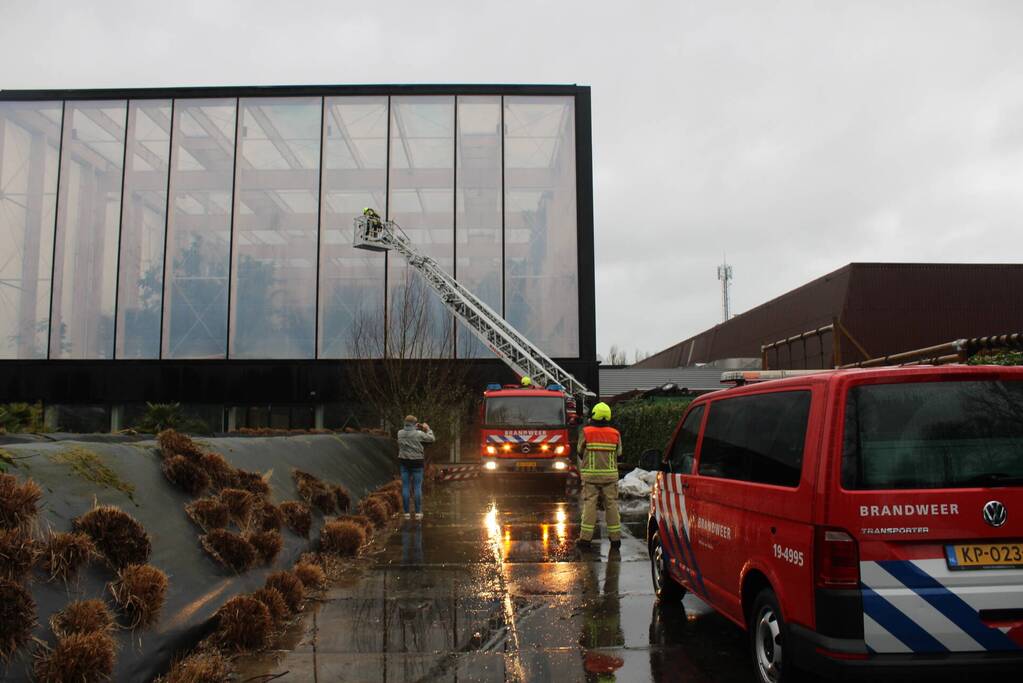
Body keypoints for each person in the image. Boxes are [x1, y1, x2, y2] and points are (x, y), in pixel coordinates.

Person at [576, 402, 622, 549]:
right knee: (612, 506)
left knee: (590, 505)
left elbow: (580, 451)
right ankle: (615, 540)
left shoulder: (586, 432)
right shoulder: (615, 433)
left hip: (591, 477)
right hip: (610, 477)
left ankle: (585, 540)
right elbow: (619, 454)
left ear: (594, 415)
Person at [397, 415, 435, 520]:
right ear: (415, 424)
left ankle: (406, 513)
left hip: (404, 463)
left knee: (405, 487)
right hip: (417, 463)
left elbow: (409, 432)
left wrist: (415, 427)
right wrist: (427, 429)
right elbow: (431, 439)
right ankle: (418, 513)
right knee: (417, 487)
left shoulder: (400, 433)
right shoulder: (419, 434)